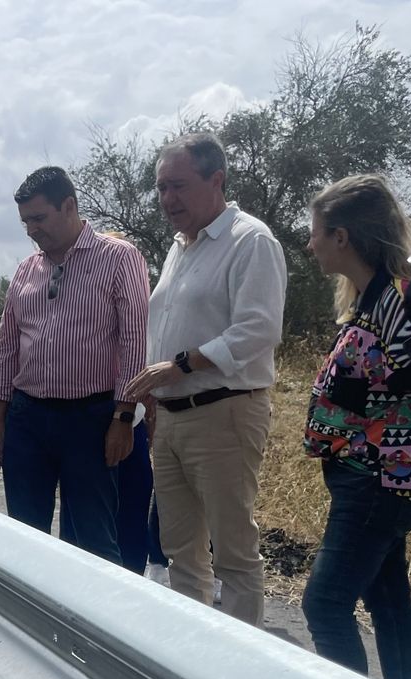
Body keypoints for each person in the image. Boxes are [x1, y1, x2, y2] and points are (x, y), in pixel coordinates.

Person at [299, 174, 411, 679]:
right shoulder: (374, 299)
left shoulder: (401, 303)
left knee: (325, 604)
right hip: (372, 480)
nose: (309, 243)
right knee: (389, 601)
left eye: (315, 232)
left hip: (379, 484)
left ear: (341, 236)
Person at [126, 131, 287, 626]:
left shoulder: (250, 240)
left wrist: (180, 366)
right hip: (172, 418)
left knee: (233, 553)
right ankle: (194, 656)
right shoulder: (181, 248)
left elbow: (259, 329)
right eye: (160, 188)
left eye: (177, 186)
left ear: (216, 180)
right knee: (180, 551)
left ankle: (240, 665)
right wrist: (154, 395)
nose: (167, 199)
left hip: (224, 413)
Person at [0, 166, 150, 565]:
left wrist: (123, 417)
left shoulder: (118, 258)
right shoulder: (27, 269)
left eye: (39, 218)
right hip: (28, 417)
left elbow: (134, 341)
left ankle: (100, 608)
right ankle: (30, 606)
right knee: (24, 536)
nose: (32, 230)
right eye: (25, 222)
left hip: (90, 419)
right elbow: (7, 347)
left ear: (69, 206)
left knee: (94, 539)